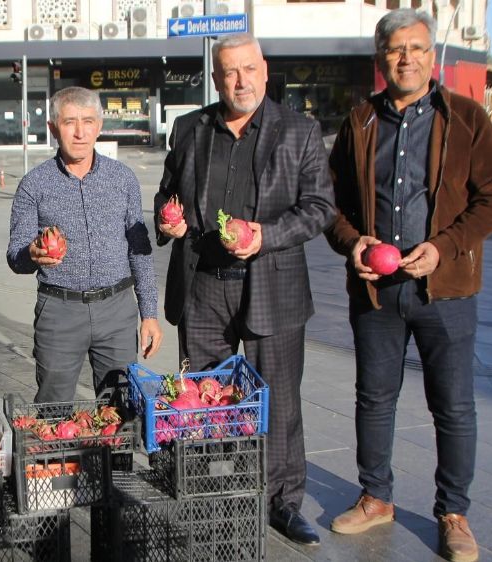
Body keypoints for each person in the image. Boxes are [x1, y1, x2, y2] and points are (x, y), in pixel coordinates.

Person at [325, 10, 492, 562]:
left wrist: (443, 247)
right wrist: (352, 243)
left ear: (432, 54)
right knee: (374, 398)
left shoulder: (468, 118)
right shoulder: (359, 123)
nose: (407, 58)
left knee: (453, 407)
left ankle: (453, 511)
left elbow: (490, 198)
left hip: (444, 290)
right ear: (381, 58)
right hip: (376, 292)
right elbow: (331, 205)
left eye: (417, 47)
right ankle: (376, 497)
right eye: (396, 49)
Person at [154, 33, 335, 546]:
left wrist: (267, 236)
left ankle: (283, 502)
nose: (241, 81)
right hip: (204, 287)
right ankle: (219, 492)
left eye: (249, 69)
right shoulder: (190, 128)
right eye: (229, 72)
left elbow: (320, 208)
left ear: (264, 68)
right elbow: (168, 194)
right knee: (206, 399)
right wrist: (168, 221)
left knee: (277, 400)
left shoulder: (299, 130)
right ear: (215, 78)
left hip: (271, 285)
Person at [7, 86, 162, 403]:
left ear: (99, 126)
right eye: (69, 122)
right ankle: (61, 455)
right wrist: (32, 254)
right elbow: (15, 257)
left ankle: (112, 455)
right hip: (59, 311)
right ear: (53, 128)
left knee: (120, 408)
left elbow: (140, 252)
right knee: (55, 406)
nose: (80, 132)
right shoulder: (33, 184)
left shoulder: (123, 178)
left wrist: (149, 314)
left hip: (117, 310)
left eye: (88, 121)